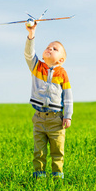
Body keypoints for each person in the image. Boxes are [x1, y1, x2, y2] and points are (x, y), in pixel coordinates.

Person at [24, 22, 73, 179]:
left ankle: (57, 176)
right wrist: (31, 34)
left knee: (57, 150)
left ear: (61, 60)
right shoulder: (37, 67)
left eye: (55, 49)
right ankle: (39, 176)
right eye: (48, 47)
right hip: (38, 118)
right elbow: (29, 54)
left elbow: (68, 97)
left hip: (56, 120)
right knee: (38, 150)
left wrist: (68, 116)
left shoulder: (62, 73)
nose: (49, 49)